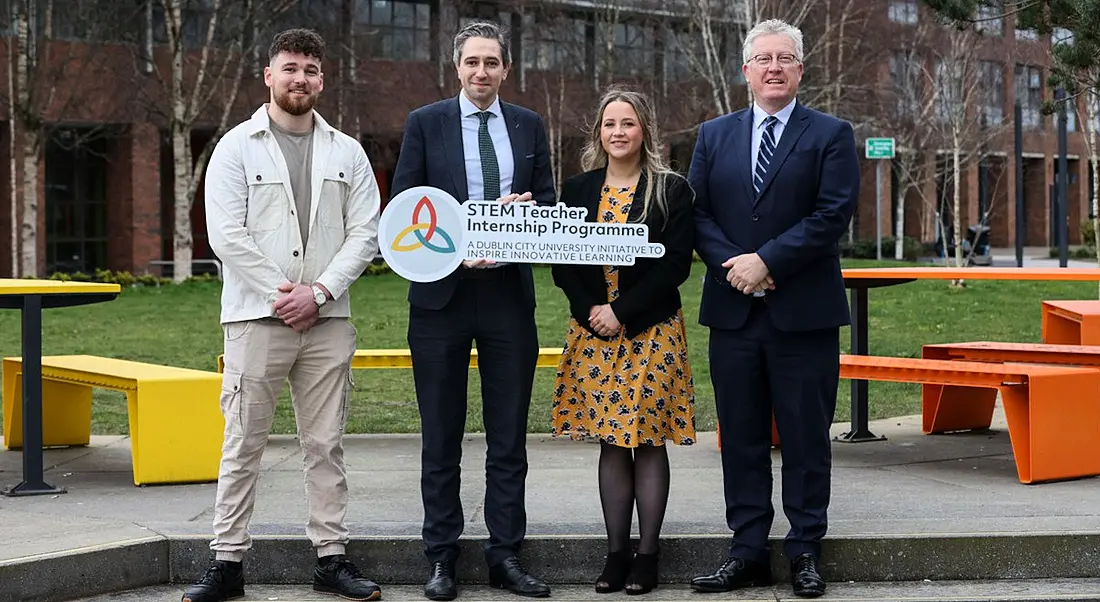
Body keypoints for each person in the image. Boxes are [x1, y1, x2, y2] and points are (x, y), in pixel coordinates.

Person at [184, 28, 383, 602]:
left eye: (311, 70)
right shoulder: (235, 147)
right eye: (290, 68)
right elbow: (227, 235)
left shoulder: (347, 151)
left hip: (329, 320)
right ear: (268, 75)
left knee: (326, 445)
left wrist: (317, 294)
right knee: (243, 442)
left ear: (323, 79)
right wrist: (284, 294)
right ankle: (226, 563)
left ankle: (331, 558)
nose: (301, 79)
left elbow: (364, 232)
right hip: (255, 319)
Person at [686, 18, 859, 600]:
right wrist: (737, 267)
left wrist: (768, 262)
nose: (774, 67)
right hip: (734, 313)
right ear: (746, 70)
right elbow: (697, 215)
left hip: (802, 314)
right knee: (741, 436)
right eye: (763, 58)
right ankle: (748, 551)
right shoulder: (714, 134)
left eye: (785, 57)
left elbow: (832, 215)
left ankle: (806, 550)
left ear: (801, 69)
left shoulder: (831, 133)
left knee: (808, 438)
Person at [389, 20, 555, 602]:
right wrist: (460, 234)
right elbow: (405, 212)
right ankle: (442, 558)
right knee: (441, 435)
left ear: (506, 69)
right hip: (441, 300)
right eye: (471, 62)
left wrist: (523, 215)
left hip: (509, 298)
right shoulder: (425, 123)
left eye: (491, 62)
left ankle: (506, 554)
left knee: (508, 436)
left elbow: (550, 209)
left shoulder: (529, 126)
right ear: (456, 68)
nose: (481, 72)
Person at [549, 88, 696, 596]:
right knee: (613, 440)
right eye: (609, 123)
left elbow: (676, 264)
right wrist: (593, 312)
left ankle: (648, 555)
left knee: (648, 440)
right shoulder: (576, 189)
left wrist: (623, 312)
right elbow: (562, 261)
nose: (618, 132)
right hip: (593, 332)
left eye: (628, 123)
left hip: (650, 330)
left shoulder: (670, 191)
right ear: (598, 132)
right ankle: (616, 554)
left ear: (644, 131)